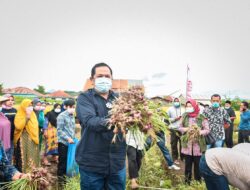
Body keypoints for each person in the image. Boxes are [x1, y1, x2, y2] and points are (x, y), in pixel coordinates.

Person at [76, 63, 127, 190]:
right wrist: (116, 119)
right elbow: (90, 121)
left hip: (117, 163)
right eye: (100, 76)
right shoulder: (84, 98)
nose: (104, 78)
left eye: (107, 76)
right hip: (92, 164)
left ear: (111, 79)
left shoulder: (120, 99)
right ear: (92, 80)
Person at [179, 99, 210, 184]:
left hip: (198, 147)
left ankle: (198, 182)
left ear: (195, 106)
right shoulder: (184, 116)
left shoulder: (202, 117)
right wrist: (186, 129)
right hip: (187, 146)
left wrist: (199, 132)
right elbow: (179, 127)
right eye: (187, 106)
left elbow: (207, 130)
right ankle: (187, 182)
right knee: (187, 166)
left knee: (198, 166)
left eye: (190, 106)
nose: (188, 108)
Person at [14, 99, 40, 173]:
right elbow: (18, 127)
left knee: (32, 157)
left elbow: (35, 127)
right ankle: (24, 175)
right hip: (23, 139)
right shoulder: (20, 114)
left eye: (31, 106)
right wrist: (27, 118)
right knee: (24, 157)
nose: (30, 107)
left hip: (33, 139)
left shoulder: (33, 114)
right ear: (23, 106)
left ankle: (33, 175)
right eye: (28, 106)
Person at [57, 99, 76, 185]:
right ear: (66, 107)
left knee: (69, 161)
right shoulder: (61, 116)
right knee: (63, 162)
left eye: (73, 107)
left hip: (71, 143)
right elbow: (59, 130)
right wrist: (68, 138)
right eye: (71, 107)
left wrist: (73, 138)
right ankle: (61, 182)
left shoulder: (72, 115)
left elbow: (71, 129)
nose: (72, 108)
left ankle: (67, 179)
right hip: (63, 143)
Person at [167, 98, 184, 164]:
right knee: (173, 144)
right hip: (173, 129)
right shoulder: (170, 109)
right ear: (173, 102)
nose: (176, 102)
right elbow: (167, 118)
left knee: (182, 144)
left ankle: (183, 157)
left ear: (180, 102)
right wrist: (175, 119)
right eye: (175, 101)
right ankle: (175, 158)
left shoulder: (183, 109)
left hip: (181, 129)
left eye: (178, 101)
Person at [1, 94, 17, 163]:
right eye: (8, 100)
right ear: (4, 101)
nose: (10, 102)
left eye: (12, 100)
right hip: (3, 137)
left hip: (12, 136)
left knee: (10, 153)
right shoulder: (1, 111)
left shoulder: (15, 110)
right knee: (3, 153)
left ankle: (8, 168)